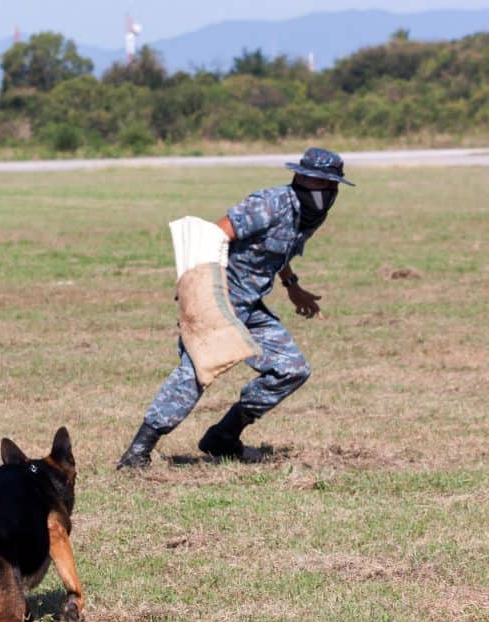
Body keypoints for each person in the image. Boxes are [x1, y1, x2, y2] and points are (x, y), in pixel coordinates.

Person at [116, 148, 355, 470]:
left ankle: (223, 437)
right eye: (317, 181)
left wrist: (292, 286)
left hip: (250, 305)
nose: (324, 190)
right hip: (218, 299)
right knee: (197, 373)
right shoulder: (269, 204)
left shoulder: (312, 214)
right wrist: (198, 290)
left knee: (291, 369)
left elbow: (280, 253)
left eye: (330, 185)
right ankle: (137, 452)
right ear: (299, 176)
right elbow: (213, 236)